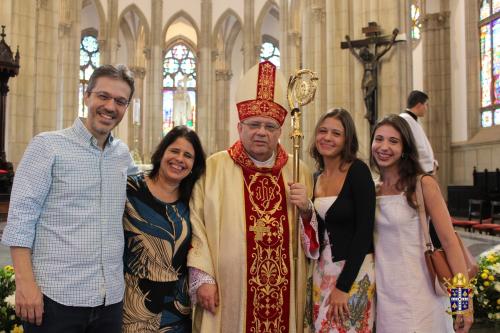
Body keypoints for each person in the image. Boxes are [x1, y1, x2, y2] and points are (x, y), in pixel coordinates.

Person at [1, 64, 138, 333]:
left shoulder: (123, 155)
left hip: (109, 299)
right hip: (56, 299)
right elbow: (20, 220)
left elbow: (153, 191)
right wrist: (25, 285)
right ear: (86, 96)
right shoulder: (47, 146)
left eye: (120, 101)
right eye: (103, 96)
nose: (110, 106)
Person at [187, 60, 313, 333]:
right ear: (240, 126)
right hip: (229, 290)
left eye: (269, 127)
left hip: (285, 290)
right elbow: (196, 224)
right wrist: (203, 276)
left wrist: (306, 210)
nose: (261, 132)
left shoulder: (298, 170)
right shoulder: (214, 167)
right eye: (254, 124)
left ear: (280, 132)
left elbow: (312, 239)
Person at [370, 114, 473, 332]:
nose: (384, 146)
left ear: (405, 148)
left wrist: (463, 303)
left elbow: (450, 242)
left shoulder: (422, 184)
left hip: (422, 295)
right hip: (385, 298)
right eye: (379, 139)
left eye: (393, 141)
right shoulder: (371, 188)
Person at [289, 108, 376, 332]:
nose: (327, 137)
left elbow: (364, 232)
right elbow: (320, 232)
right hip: (321, 270)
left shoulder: (358, 171)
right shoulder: (317, 177)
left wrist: (344, 287)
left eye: (336, 133)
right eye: (322, 131)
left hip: (353, 272)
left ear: (347, 139)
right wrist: (306, 211)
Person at [123, 125, 206, 332]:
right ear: (162, 153)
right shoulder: (130, 189)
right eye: (174, 151)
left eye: (188, 155)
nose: (179, 159)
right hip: (135, 304)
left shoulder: (192, 202)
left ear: (194, 165)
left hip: (177, 308)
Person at [345, 28, 398, 127]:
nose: (364, 56)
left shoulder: (375, 58)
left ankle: (370, 112)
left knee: (367, 96)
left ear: (367, 53)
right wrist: (348, 42)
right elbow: (353, 52)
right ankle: (369, 111)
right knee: (365, 97)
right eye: (363, 55)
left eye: (365, 54)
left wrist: (393, 37)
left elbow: (387, 49)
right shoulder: (363, 61)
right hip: (365, 79)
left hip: (372, 80)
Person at [399, 90, 437, 174]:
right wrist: (430, 164)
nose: (427, 108)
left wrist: (432, 162)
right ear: (419, 105)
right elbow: (415, 146)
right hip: (417, 170)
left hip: (424, 168)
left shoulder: (414, 119)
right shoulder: (405, 119)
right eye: (426, 105)